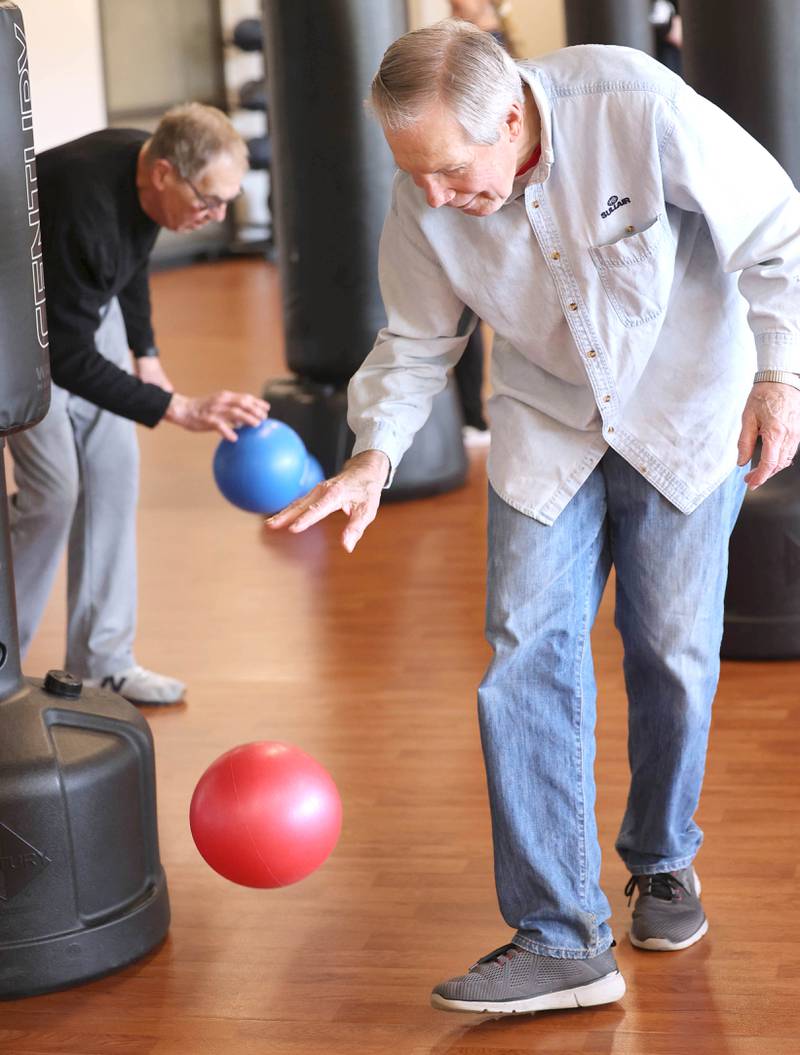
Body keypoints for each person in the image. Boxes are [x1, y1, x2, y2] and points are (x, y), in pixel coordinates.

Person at [268, 20, 800, 1015]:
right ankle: (559, 934)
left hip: (685, 409)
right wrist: (373, 452)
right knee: (523, 653)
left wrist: (780, 373)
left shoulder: (634, 108)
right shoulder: (422, 191)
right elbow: (417, 339)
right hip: (546, 425)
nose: (430, 195)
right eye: (410, 172)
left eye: (447, 170)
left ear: (509, 117)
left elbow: (777, 231)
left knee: (670, 654)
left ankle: (660, 859)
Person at [9, 104, 269, 706]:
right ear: (164, 174)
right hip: (20, 329)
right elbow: (67, 361)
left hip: (74, 312)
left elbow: (130, 262)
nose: (216, 216)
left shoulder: (146, 172)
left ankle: (102, 661)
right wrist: (174, 406)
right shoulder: (84, 207)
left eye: (227, 201)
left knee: (114, 471)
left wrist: (145, 350)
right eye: (209, 201)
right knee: (54, 494)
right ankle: (1, 667)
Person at [448, 1, 521, 444]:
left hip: (495, 200)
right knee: (464, 317)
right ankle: (472, 416)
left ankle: (479, 416)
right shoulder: (453, 38)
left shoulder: (491, 46)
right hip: (470, 206)